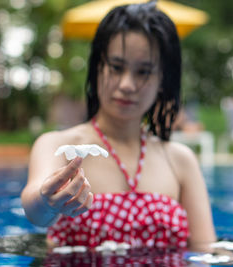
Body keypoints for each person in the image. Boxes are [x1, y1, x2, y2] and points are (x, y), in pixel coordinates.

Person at [21, 1, 216, 251]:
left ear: (162, 81)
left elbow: (207, 250)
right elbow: (35, 210)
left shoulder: (180, 161)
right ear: (97, 67)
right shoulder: (59, 146)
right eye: (116, 67)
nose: (126, 84)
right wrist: (47, 204)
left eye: (143, 71)